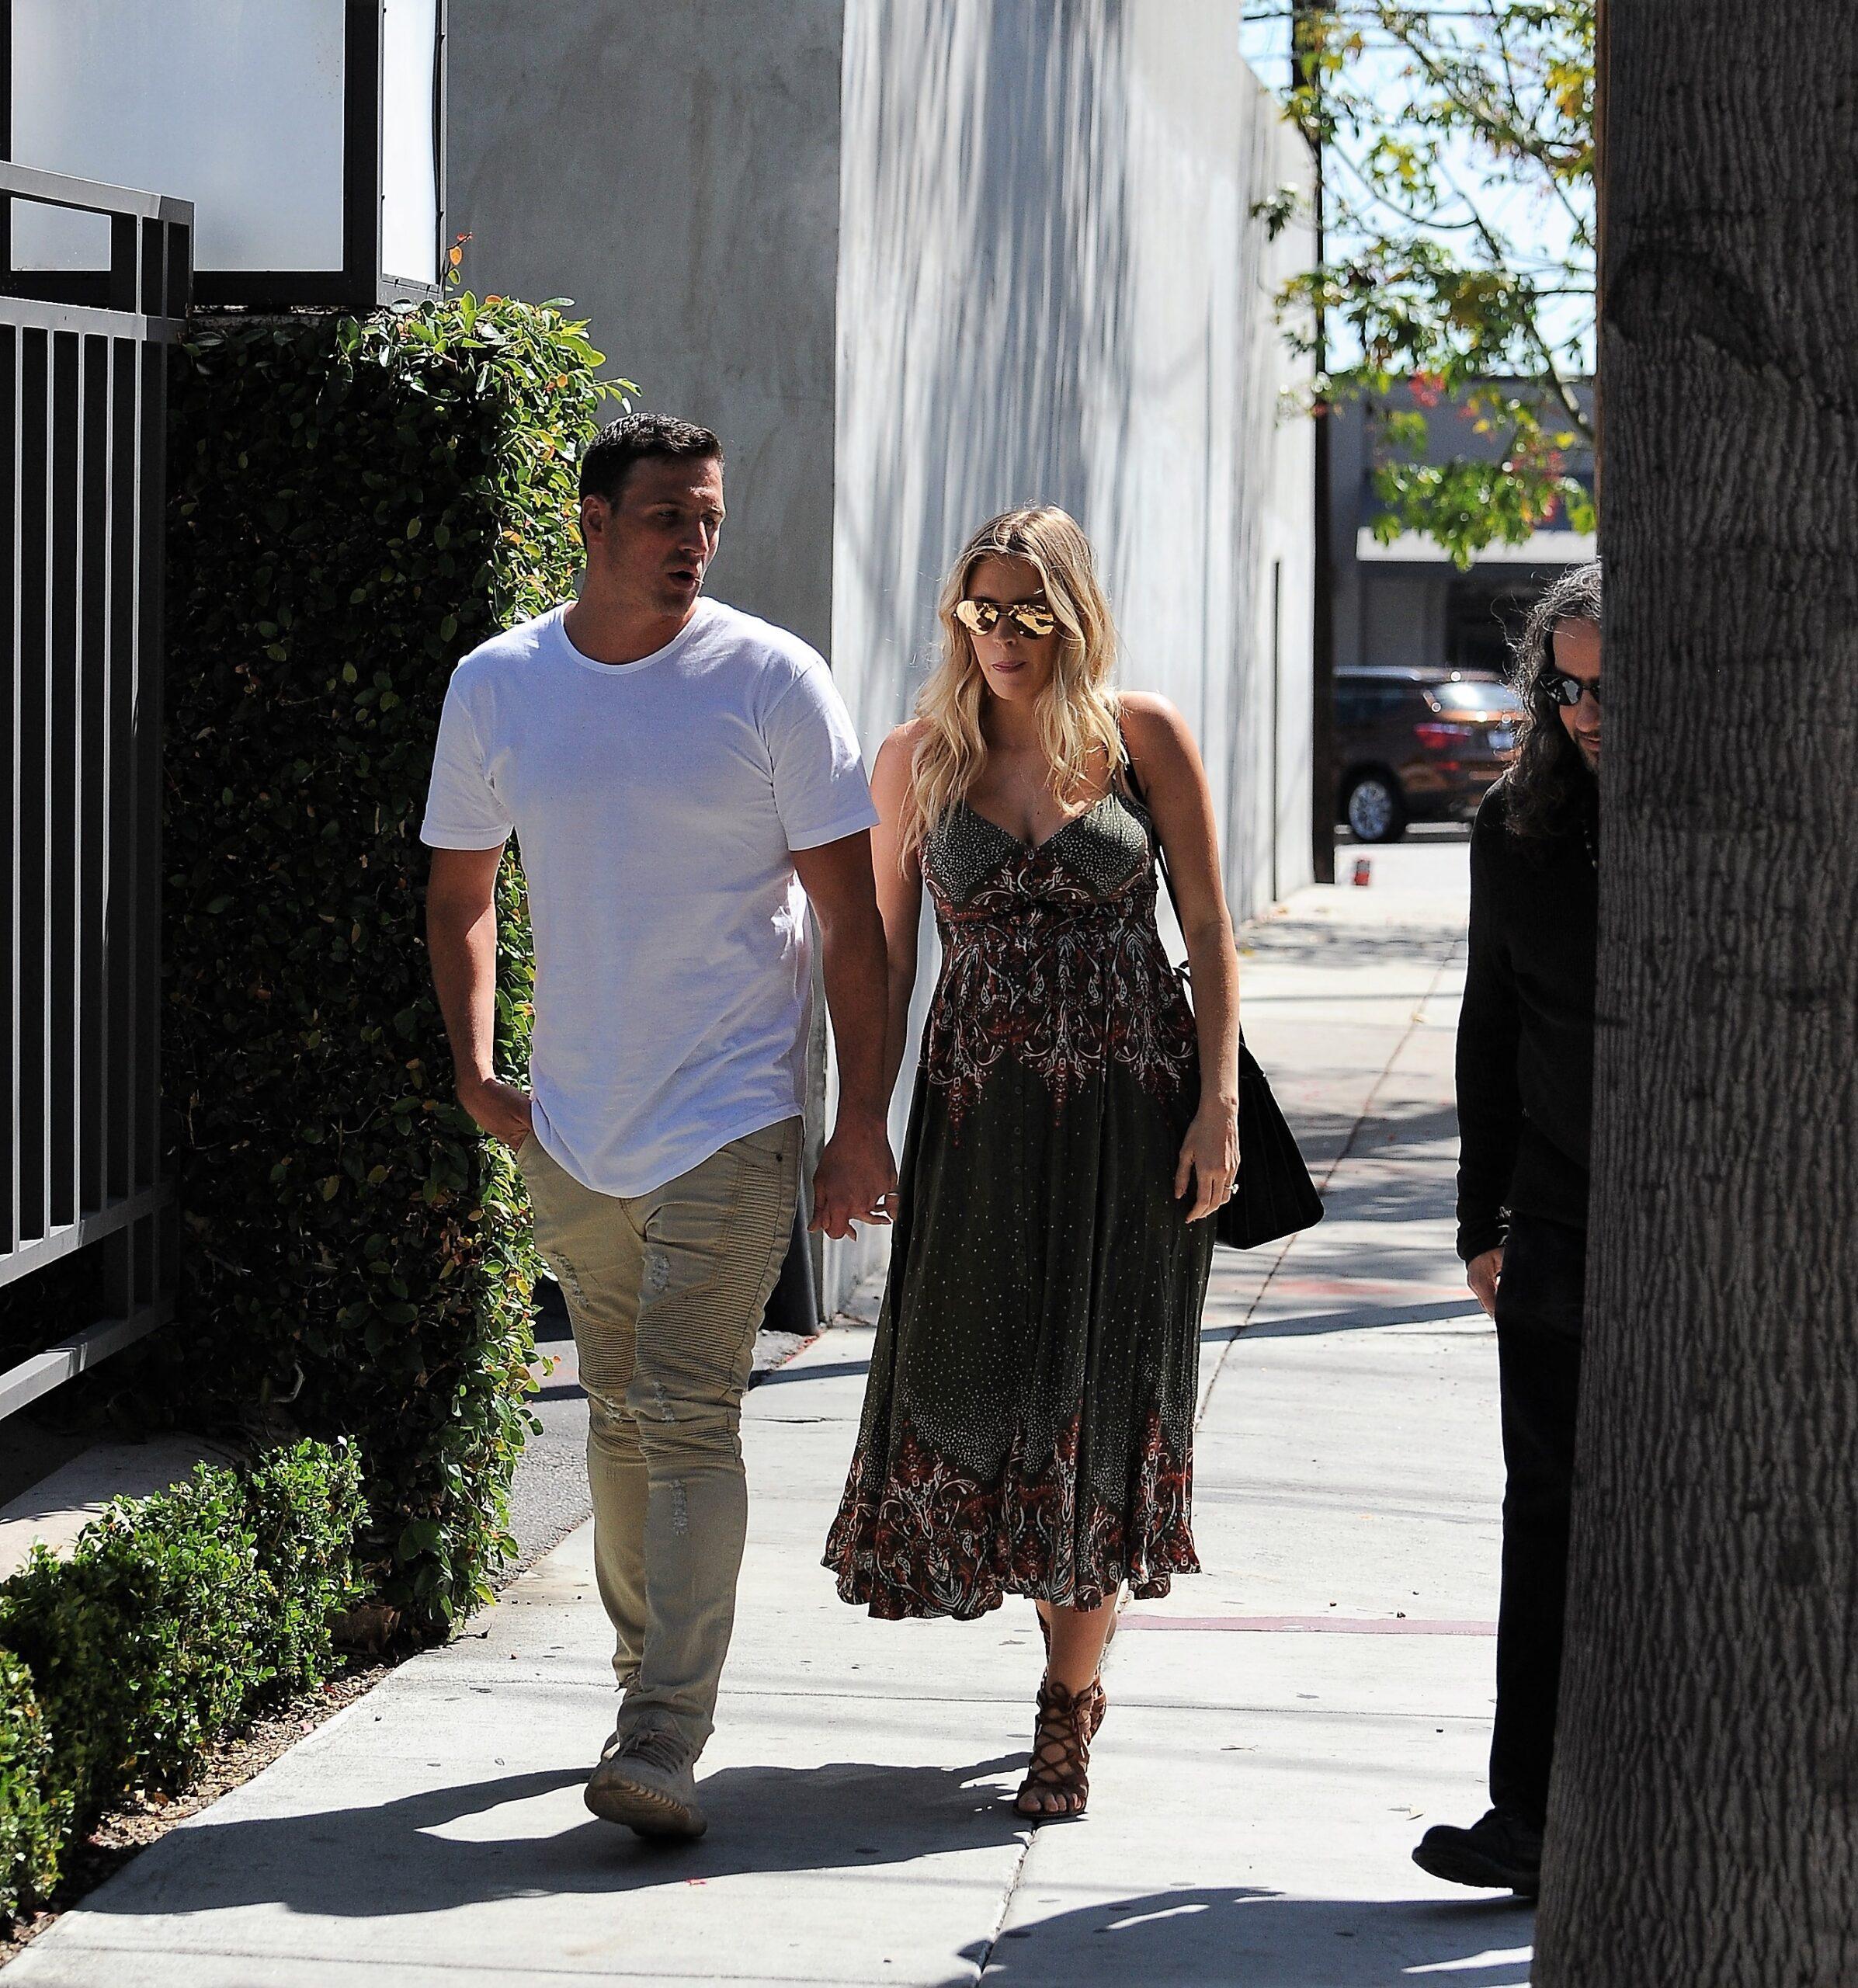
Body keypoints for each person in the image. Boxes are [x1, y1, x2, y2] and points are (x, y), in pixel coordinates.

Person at [422, 412, 894, 1843]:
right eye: (664, 518)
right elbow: (460, 897)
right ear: (591, 520)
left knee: (685, 1417)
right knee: (620, 1418)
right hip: (571, 1121)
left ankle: (663, 1732)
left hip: (731, 1111)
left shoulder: (767, 678)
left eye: (708, 516)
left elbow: (853, 925)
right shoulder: (502, 684)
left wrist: (857, 1120)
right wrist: (475, 1071)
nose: (692, 542)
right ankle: (647, 1680)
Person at [823, 506, 1241, 1819]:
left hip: (1133, 1118)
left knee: (1097, 1393)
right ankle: (1037, 1630)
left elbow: (1213, 935)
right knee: (980, 1372)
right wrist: (858, 1122)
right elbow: (887, 964)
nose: (1002, 638)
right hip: (978, 1123)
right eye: (980, 613)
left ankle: (1068, 1703)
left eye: (1028, 613)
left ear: (1074, 613)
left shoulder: (1141, 739)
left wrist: (1215, 1103)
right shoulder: (916, 761)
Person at [1414, 560, 1603, 1896]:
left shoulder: (1728, 827)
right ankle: (1525, 1814)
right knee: (1541, 1508)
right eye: (1564, 686)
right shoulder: (1512, 824)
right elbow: (1488, 1027)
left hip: (1695, 1226)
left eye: (1608, 687)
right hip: (1553, 1212)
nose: (1585, 713)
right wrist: (1480, 1216)